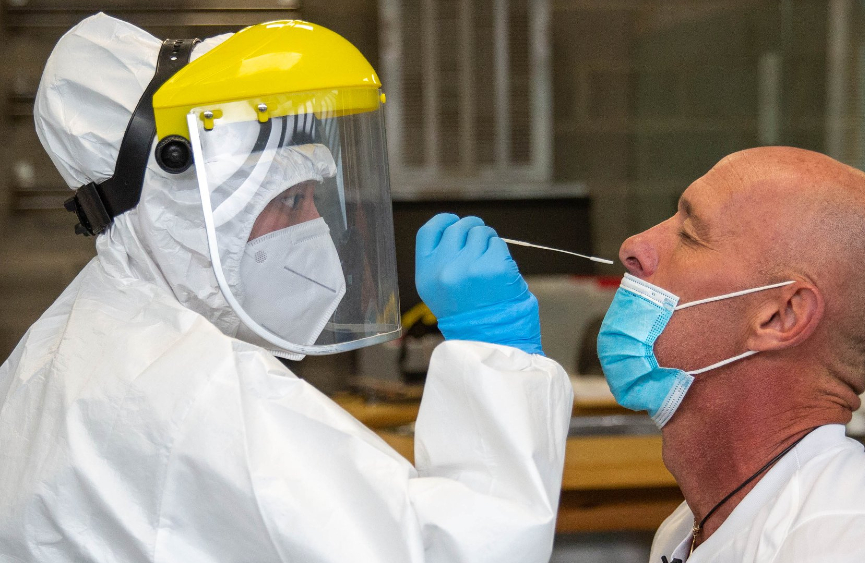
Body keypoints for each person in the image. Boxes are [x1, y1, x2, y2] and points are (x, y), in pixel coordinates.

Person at [0, 14, 572, 562]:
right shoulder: (200, 396)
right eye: (289, 202)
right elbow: (454, 551)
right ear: (190, 223)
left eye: (312, 201)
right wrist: (497, 355)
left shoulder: (67, 345)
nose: (314, 233)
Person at [596, 146, 865, 562]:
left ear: (781, 316)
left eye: (690, 235)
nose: (634, 246)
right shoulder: (690, 528)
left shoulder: (863, 540)